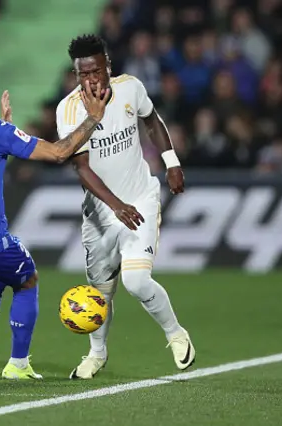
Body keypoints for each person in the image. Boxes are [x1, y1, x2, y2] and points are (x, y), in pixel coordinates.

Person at [0, 58, 109, 380]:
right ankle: (18, 364)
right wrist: (93, 119)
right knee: (27, 278)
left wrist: (4, 131)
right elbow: (58, 153)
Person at [55, 35, 195, 379]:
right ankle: (97, 354)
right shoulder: (68, 110)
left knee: (135, 280)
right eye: (83, 73)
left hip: (140, 199)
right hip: (101, 213)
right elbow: (81, 168)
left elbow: (152, 120)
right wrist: (115, 206)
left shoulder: (131, 88)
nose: (91, 79)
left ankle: (176, 335)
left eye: (96, 70)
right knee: (99, 294)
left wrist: (171, 161)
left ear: (108, 66)